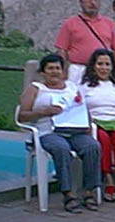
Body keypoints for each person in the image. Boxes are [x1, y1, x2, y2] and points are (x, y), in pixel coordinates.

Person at [18, 54, 101, 213]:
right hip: (48, 132)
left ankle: (88, 192)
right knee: (61, 148)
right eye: (50, 68)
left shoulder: (72, 87)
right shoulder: (36, 89)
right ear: (43, 72)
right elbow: (22, 116)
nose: (54, 71)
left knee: (93, 146)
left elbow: (83, 108)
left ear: (63, 71)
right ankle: (68, 194)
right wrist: (43, 112)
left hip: (75, 131)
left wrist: (87, 125)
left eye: (58, 68)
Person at [80, 49, 115, 202]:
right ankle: (108, 180)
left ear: (112, 66)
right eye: (100, 64)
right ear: (93, 66)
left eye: (107, 64)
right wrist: (89, 120)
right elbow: (79, 108)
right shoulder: (85, 86)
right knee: (102, 139)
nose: (103, 68)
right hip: (95, 123)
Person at [55, 0, 115, 84]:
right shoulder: (70, 23)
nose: (92, 3)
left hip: (102, 70)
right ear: (81, 2)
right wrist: (63, 71)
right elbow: (62, 50)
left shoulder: (109, 23)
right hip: (78, 70)